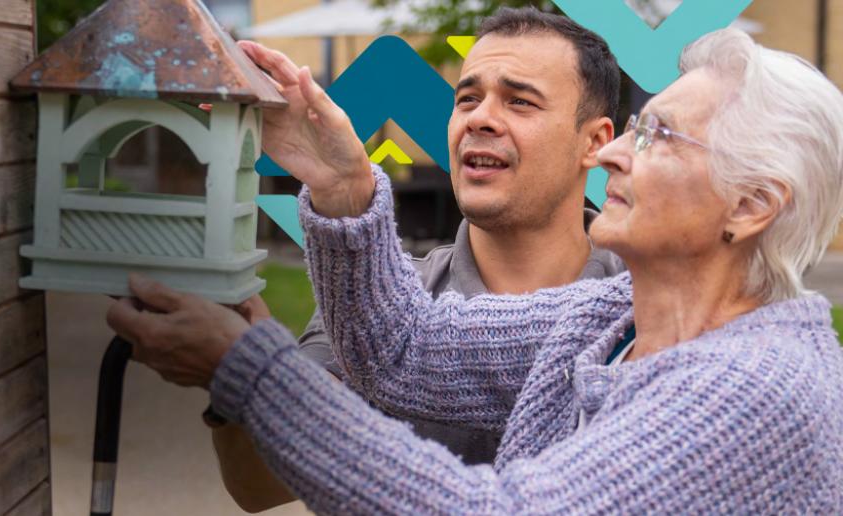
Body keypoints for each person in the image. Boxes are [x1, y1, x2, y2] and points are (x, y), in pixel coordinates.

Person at [107, 26, 843, 513]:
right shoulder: (610, 318)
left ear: (751, 207)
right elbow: (399, 350)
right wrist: (342, 187)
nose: (621, 155)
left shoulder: (753, 389)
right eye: (469, 97)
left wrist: (253, 371)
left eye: (660, 136)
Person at [210, 7, 623, 510]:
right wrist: (236, 362)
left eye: (520, 101)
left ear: (595, 142)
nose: (480, 118)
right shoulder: (371, 297)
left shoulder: (648, 305)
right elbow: (256, 484)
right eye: (467, 98)